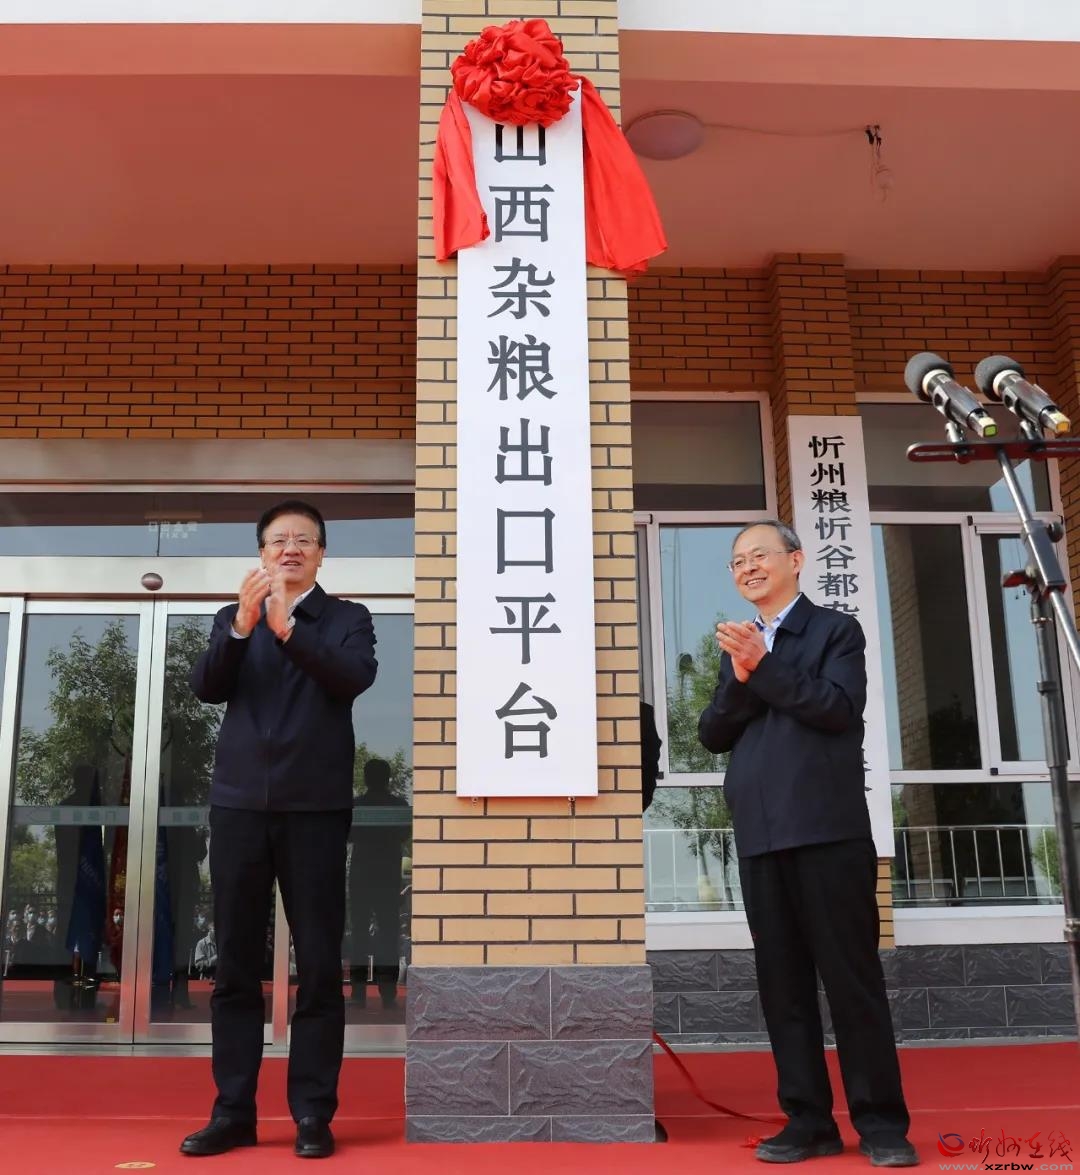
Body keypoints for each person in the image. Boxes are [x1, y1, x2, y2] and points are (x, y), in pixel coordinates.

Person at [697, 520, 917, 1168]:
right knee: (783, 987)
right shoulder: (739, 644)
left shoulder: (834, 632)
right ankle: (808, 1120)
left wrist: (764, 667)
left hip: (828, 833)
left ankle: (881, 1124)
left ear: (795, 560)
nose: (747, 567)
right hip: (761, 837)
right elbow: (712, 733)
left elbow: (835, 709)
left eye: (759, 555)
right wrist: (742, 675)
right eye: (738, 560)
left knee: (852, 982)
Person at [180, 500, 378, 1160]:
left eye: (304, 540)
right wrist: (242, 628)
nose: (290, 549)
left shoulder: (347, 619)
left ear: (321, 553)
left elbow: (352, 678)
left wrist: (289, 629)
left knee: (318, 965)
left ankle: (313, 1113)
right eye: (278, 540)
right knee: (235, 966)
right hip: (238, 807)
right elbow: (207, 686)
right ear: (262, 553)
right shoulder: (231, 617)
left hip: (315, 809)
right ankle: (233, 1111)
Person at [348, 758, 409, 1010]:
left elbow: (348, 833)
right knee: (388, 933)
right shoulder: (399, 805)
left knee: (359, 934)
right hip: (387, 876)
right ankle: (388, 993)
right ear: (388, 778)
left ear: (366, 777)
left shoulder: (356, 805)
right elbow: (404, 834)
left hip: (361, 875)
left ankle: (358, 993)